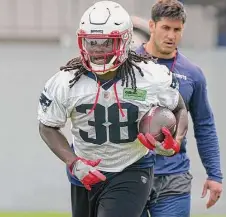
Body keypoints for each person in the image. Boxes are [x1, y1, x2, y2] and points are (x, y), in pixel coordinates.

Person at [37, 1, 188, 217]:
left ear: (125, 41)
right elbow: (47, 127)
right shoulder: (65, 82)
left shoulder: (150, 76)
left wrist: (177, 139)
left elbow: (179, 107)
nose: (98, 49)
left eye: (107, 42)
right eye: (92, 42)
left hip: (132, 168)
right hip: (85, 172)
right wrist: (74, 163)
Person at [135, 1, 223, 217]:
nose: (171, 36)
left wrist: (214, 175)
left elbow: (205, 125)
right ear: (152, 26)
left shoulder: (192, 74)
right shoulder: (129, 66)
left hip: (173, 177)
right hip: (131, 174)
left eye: (177, 30)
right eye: (165, 28)